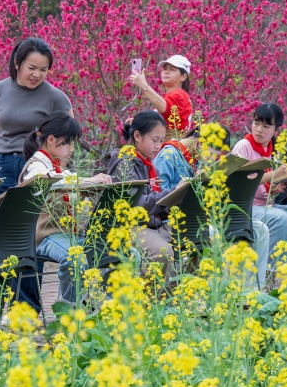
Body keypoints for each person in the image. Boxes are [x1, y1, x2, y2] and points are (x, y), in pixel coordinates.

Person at [153, 127, 271, 285]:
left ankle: (252, 292)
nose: (208, 161)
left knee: (260, 229)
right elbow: (160, 199)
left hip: (206, 216)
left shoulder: (195, 159)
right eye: (211, 156)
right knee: (214, 234)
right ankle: (219, 294)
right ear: (199, 144)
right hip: (178, 221)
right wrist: (189, 186)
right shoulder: (169, 155)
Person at [19, 112, 113, 305]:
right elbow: (49, 182)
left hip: (70, 236)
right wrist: (88, 180)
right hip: (45, 237)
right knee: (75, 257)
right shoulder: (35, 167)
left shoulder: (59, 168)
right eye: (68, 143)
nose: (72, 149)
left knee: (123, 253)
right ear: (51, 140)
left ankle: (105, 308)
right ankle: (69, 310)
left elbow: (67, 181)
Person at [0, 37, 73, 196]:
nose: (37, 75)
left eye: (43, 70)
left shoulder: (55, 97)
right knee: (3, 216)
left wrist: (58, 170)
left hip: (38, 164)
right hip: (4, 165)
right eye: (31, 68)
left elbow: (69, 138)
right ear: (17, 63)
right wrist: (8, 146)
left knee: (34, 218)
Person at [107, 111, 176, 275]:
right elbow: (137, 205)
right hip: (130, 227)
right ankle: (148, 299)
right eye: (154, 140)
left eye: (161, 140)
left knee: (201, 237)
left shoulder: (152, 167)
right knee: (161, 252)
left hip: (153, 225)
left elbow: (157, 205)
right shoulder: (124, 164)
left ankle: (177, 296)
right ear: (137, 136)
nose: (159, 145)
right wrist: (172, 193)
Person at [230, 103, 287, 265]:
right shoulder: (243, 146)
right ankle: (272, 275)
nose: (259, 130)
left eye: (266, 126)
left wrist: (275, 189)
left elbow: (258, 189)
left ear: (276, 130)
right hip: (241, 209)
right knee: (281, 219)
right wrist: (273, 175)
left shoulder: (271, 151)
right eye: (256, 123)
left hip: (261, 206)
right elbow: (238, 183)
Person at [128, 55, 193, 132]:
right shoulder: (170, 96)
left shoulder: (179, 94)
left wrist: (144, 85)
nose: (166, 72)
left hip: (172, 142)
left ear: (183, 77)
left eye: (172, 69)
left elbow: (165, 108)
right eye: (165, 69)